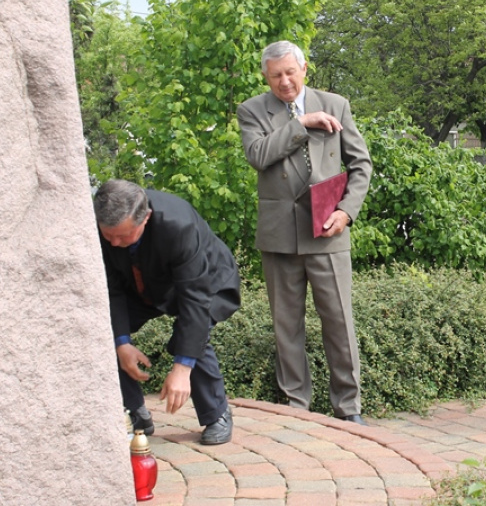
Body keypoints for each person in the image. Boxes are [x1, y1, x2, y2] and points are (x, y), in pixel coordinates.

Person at [237, 40, 372, 425]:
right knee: (286, 326)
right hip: (280, 236)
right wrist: (300, 124)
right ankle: (297, 409)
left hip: (328, 231)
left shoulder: (336, 104)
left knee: (340, 323)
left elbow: (361, 166)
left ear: (304, 69)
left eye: (290, 73)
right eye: (276, 75)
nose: (284, 82)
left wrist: (347, 211)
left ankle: (349, 409)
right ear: (266, 75)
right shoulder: (251, 111)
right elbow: (259, 155)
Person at [94, 179, 241, 444]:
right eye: (109, 236)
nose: (115, 243)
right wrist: (121, 342)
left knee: (189, 337)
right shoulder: (100, 225)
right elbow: (111, 291)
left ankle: (216, 414)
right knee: (100, 329)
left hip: (205, 281)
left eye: (124, 235)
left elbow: (194, 302)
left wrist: (182, 369)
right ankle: (133, 412)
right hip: (141, 284)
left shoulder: (178, 224)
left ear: (145, 218)